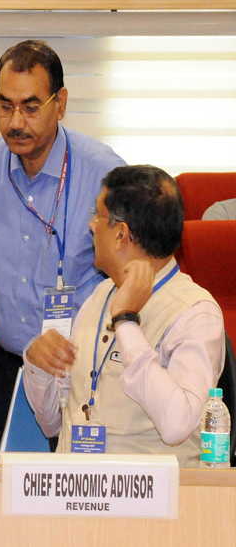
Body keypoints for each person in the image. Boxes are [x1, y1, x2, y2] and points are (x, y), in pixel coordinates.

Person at [0, 40, 124, 460]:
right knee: (13, 509)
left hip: (84, 372)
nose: (15, 122)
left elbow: (129, 277)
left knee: (85, 505)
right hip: (10, 369)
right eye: (4, 105)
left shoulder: (105, 173)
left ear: (60, 103)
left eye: (30, 107)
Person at [23, 166, 224, 466]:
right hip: (73, 491)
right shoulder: (97, 297)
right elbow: (52, 422)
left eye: (98, 215)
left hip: (149, 501)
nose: (91, 226)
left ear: (121, 234)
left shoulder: (195, 312)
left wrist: (127, 322)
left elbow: (177, 424)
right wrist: (37, 365)